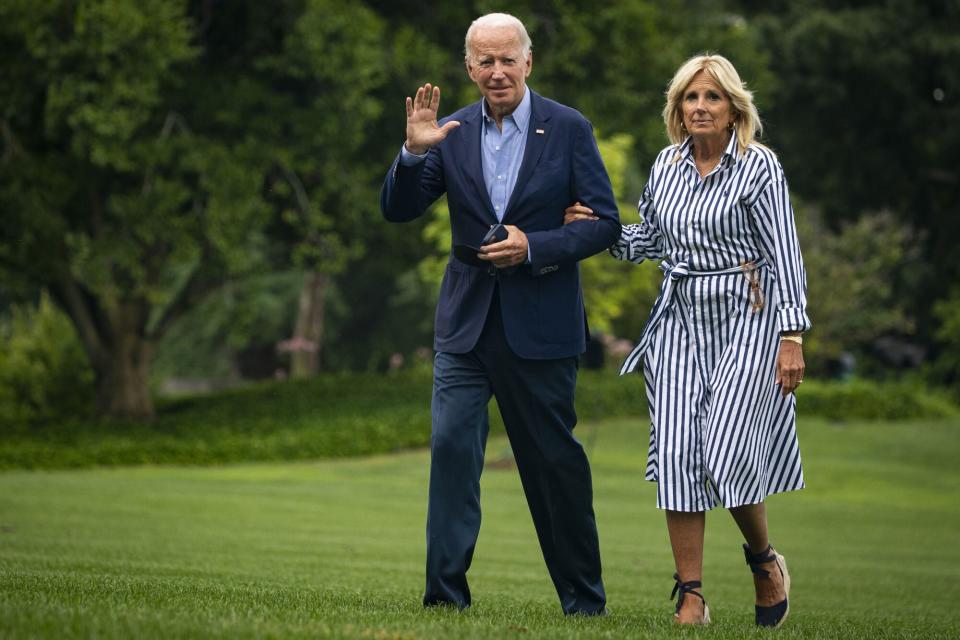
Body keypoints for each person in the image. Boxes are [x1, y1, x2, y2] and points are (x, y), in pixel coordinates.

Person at [380, 13, 621, 615]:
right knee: (452, 452)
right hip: (465, 325)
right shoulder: (450, 129)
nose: (496, 71)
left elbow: (605, 224)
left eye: (507, 59)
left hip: (541, 326)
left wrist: (534, 246)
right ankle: (444, 599)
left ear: (528, 61)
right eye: (484, 61)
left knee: (552, 464)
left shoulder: (568, 128)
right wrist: (412, 152)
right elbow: (399, 209)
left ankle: (583, 602)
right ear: (469, 67)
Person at [565, 53, 810, 627]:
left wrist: (792, 332)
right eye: (690, 98)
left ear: (733, 109)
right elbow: (647, 239)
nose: (700, 107)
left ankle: (763, 561)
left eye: (712, 98)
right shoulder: (666, 165)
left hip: (747, 313)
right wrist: (597, 231)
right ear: (678, 109)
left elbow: (785, 252)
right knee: (676, 451)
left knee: (724, 446)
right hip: (678, 317)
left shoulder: (759, 167)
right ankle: (692, 596)